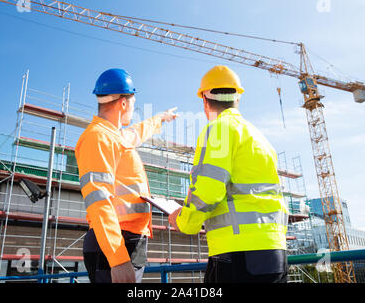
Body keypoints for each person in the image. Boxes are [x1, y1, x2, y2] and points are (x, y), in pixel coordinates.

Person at [169, 65, 289, 283]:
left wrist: (184, 221)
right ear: (237, 98)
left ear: (205, 101)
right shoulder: (258, 136)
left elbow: (208, 191)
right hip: (275, 253)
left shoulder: (219, 129)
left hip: (238, 254)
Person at [75, 68, 178, 283]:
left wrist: (161, 118)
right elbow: (98, 201)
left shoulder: (116, 136)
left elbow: (140, 130)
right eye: (133, 103)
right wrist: (118, 259)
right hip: (116, 244)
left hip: (129, 240)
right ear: (123, 103)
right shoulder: (98, 138)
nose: (133, 109)